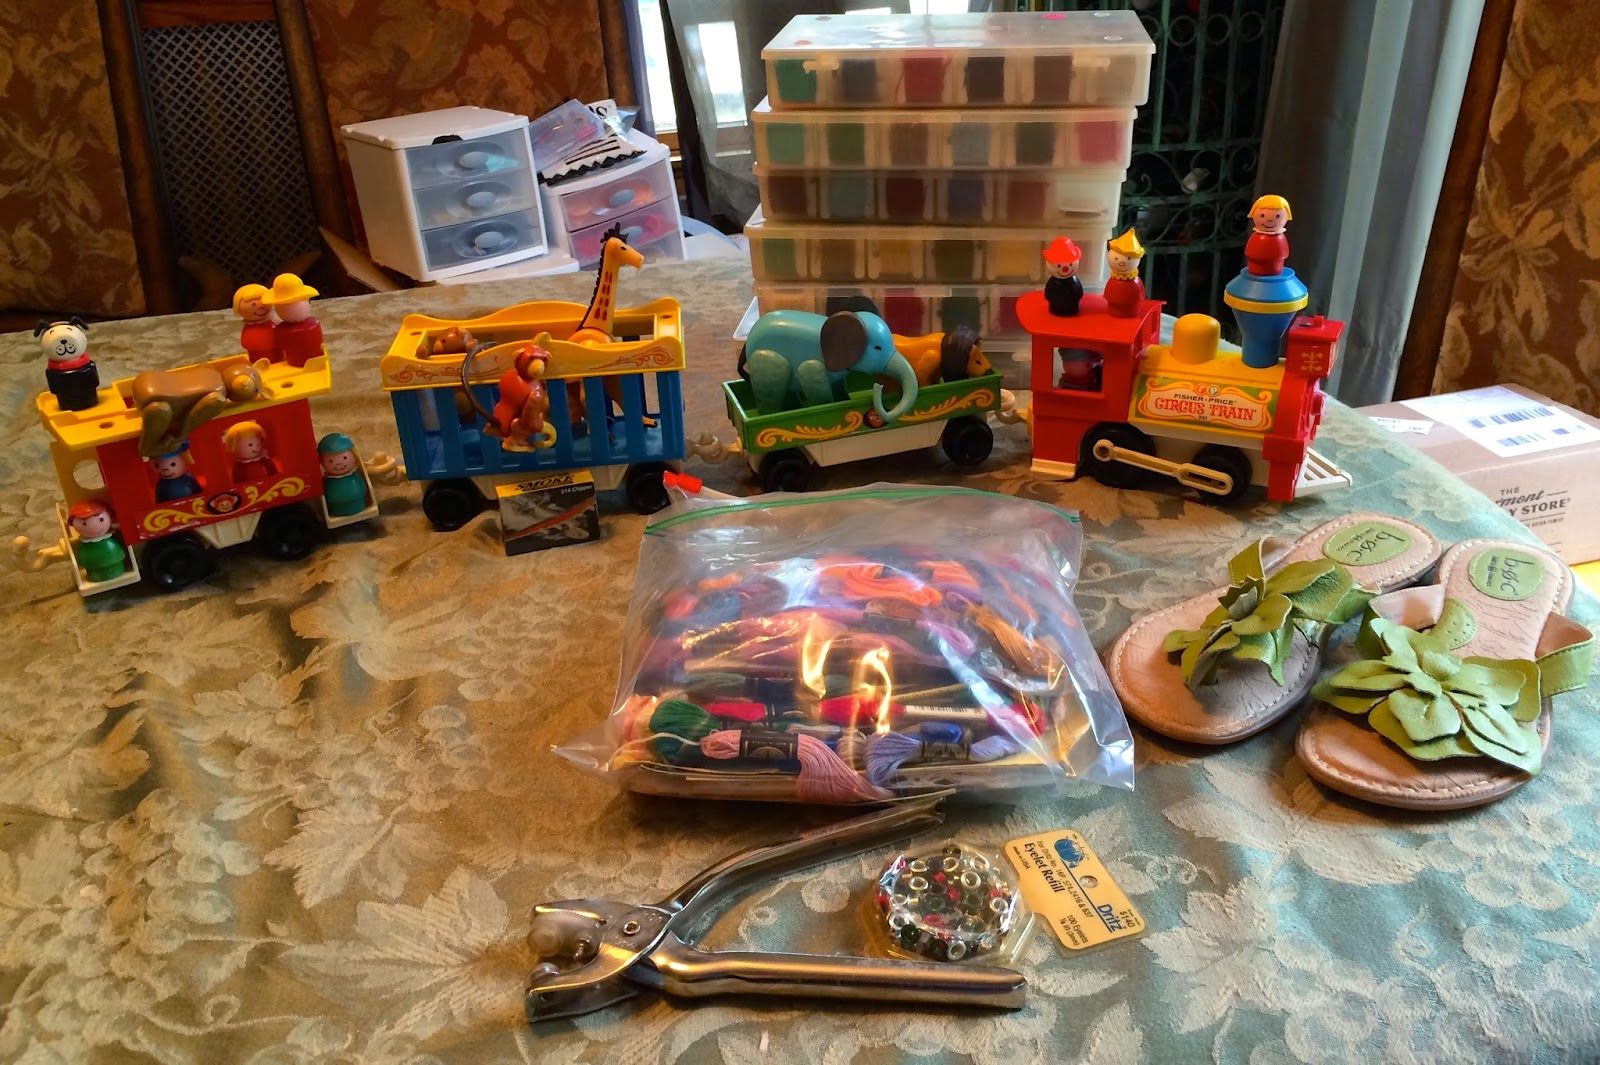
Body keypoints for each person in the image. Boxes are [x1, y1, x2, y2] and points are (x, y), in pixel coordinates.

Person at [262, 273, 322, 368]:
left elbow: (282, 346)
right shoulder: (282, 329)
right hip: (296, 363)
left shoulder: (312, 326)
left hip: (310, 363)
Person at [66, 500, 126, 583]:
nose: (95, 528)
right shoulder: (86, 547)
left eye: (101, 519)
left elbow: (118, 553)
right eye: (84, 523)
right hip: (94, 573)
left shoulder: (110, 542)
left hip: (117, 567)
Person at [317, 433, 369, 517]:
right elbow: (329, 496)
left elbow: (362, 488)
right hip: (337, 508)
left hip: (359, 503)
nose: (339, 464)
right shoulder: (329, 482)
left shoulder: (354, 476)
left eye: (345, 458)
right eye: (331, 461)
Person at [1244, 194, 1291, 276]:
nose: (1269, 221)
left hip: (1276, 268)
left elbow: (1283, 253)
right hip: (1254, 267)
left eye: (1277, 216)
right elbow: (1250, 252)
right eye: (1262, 215)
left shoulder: (1279, 238)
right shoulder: (1257, 237)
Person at [1104, 229, 1146, 318]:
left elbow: (1140, 295)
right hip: (1113, 311)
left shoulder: (1135, 282)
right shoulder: (1113, 280)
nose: (1121, 263)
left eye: (1128, 259)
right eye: (1116, 259)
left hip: (1132, 311)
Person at [233, 284, 280, 363]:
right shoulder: (249, 330)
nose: (262, 307)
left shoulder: (272, 324)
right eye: (253, 304)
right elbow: (246, 343)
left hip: (278, 358)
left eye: (264, 302)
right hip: (257, 361)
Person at [1042, 237, 1084, 317]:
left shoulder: (1073, 281)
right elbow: (1048, 293)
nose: (1065, 269)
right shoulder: (1053, 282)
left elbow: (1079, 293)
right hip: (1055, 308)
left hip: (1072, 308)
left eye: (1070, 265)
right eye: (1059, 266)